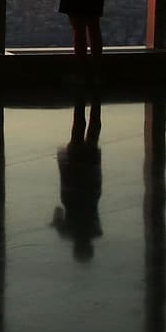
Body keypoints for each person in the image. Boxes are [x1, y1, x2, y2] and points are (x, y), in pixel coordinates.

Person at [52, 89, 102, 262]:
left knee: (92, 135)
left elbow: (58, 215)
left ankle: (93, 100)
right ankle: (83, 99)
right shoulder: (73, 232)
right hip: (74, 183)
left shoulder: (94, 231)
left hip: (89, 183)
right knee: (79, 134)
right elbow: (58, 214)